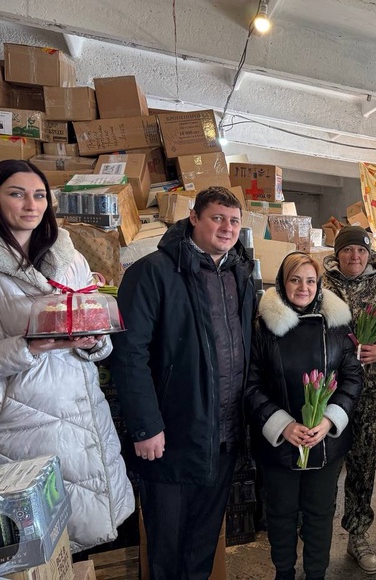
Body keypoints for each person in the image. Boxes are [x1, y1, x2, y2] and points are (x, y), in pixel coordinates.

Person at [109, 186, 256, 580]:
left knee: (203, 542)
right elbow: (128, 354)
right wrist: (146, 425)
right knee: (167, 548)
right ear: (193, 218)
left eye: (234, 221)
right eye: (217, 218)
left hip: (223, 436)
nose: (227, 228)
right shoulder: (154, 271)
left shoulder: (239, 276)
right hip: (170, 437)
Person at [0, 159, 133, 552]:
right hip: (25, 417)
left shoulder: (70, 258)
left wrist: (95, 342)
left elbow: (94, 323)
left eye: (39, 194)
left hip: (83, 409)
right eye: (16, 193)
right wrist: (28, 347)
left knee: (86, 523)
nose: (31, 204)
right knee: (39, 542)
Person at [246, 252, 362, 580]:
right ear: (283, 284)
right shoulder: (264, 327)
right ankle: (284, 572)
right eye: (295, 279)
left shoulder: (338, 324)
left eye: (310, 280)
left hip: (325, 443)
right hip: (281, 443)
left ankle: (315, 573)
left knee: (319, 514)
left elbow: (352, 377)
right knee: (281, 514)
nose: (303, 287)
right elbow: (251, 385)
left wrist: (328, 421)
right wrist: (284, 425)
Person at [321, 225, 376, 574]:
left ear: (369, 255)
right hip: (327, 394)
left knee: (363, 465)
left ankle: (358, 534)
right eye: (347, 250)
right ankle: (316, 536)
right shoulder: (322, 287)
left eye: (360, 250)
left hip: (371, 394)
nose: (354, 256)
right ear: (337, 253)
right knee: (325, 467)